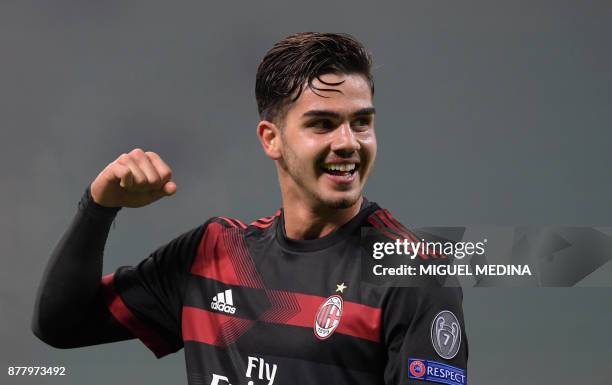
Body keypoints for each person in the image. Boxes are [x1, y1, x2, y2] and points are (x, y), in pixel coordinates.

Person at [32, 32, 468, 385]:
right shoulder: (213, 254)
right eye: (322, 124)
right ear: (270, 139)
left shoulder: (413, 272)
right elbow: (60, 325)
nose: (348, 143)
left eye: (362, 122)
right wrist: (98, 207)